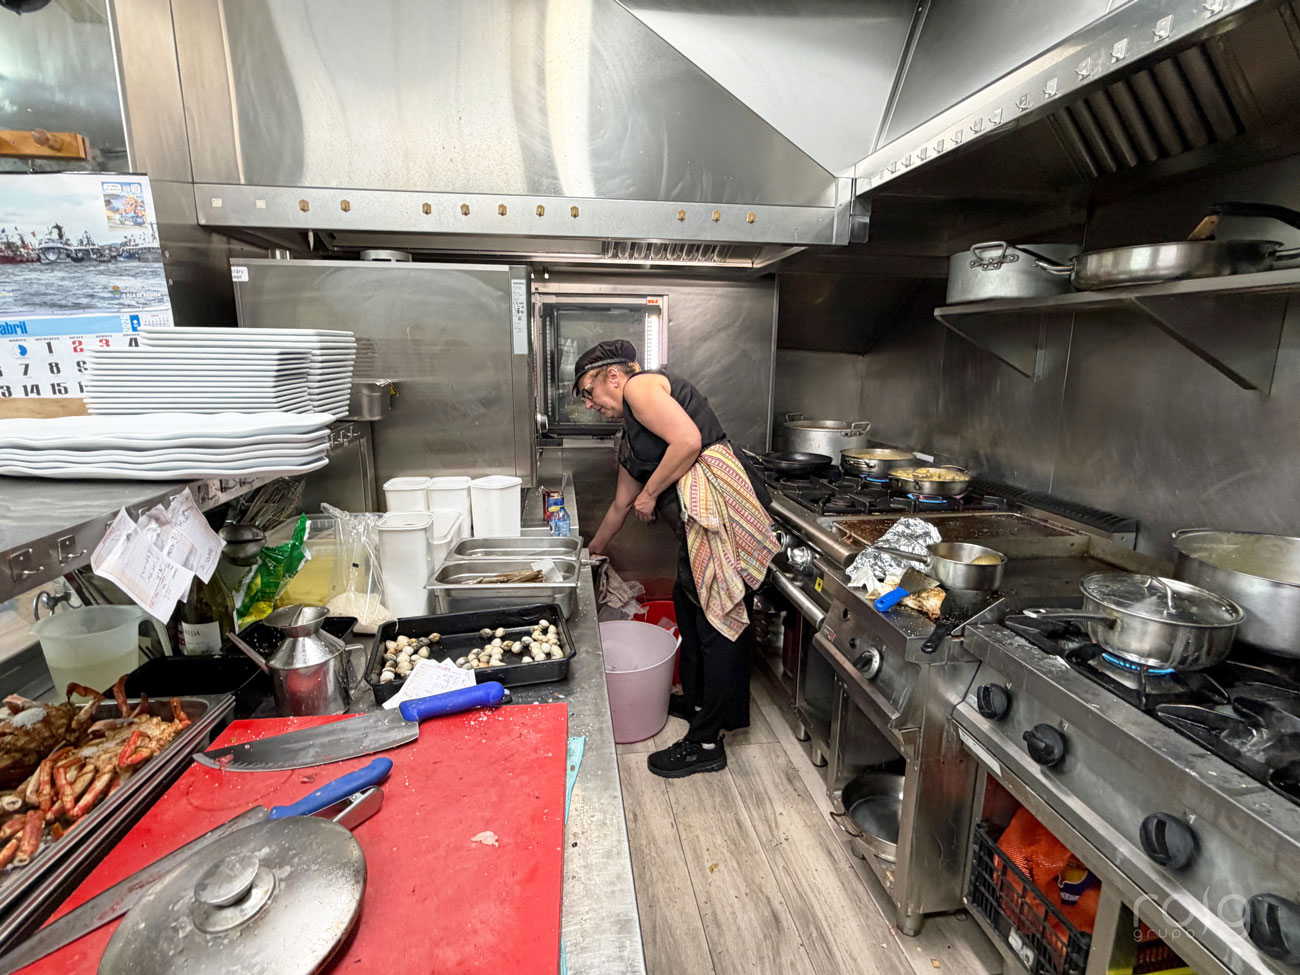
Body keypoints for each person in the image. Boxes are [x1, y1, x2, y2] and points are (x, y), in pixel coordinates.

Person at [578, 340, 779, 778]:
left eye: (588, 391)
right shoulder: (633, 438)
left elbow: (688, 441)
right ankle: (700, 703)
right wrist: (586, 556)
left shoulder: (641, 388)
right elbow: (619, 506)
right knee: (689, 611)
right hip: (695, 533)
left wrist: (651, 494)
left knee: (718, 620)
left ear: (613, 376)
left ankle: (706, 742)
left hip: (719, 521)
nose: (589, 403)